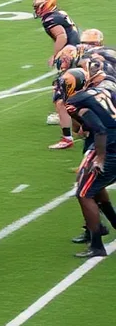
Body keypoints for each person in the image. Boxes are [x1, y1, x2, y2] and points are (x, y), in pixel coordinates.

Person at [57, 68, 116, 259]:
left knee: (84, 193)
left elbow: (99, 130)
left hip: (109, 147)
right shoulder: (100, 90)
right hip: (108, 142)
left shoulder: (75, 102)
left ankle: (97, 246)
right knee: (92, 186)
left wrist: (99, 158)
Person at [34, 0, 82, 147]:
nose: (36, 9)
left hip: (69, 53)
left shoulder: (50, 19)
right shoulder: (59, 13)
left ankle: (69, 132)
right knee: (73, 89)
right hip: (77, 50)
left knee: (62, 93)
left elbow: (61, 36)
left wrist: (56, 55)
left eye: (38, 6)